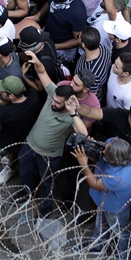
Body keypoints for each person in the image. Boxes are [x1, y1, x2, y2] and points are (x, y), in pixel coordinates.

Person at [18, 50, 86, 216]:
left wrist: (73, 112)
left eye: (57, 102)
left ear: (67, 103)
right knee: (25, 173)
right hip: (29, 146)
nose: (53, 102)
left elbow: (83, 133)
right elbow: (42, 72)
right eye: (53, 99)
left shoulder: (71, 116)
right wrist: (35, 60)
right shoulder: (53, 93)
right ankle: (26, 192)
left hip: (49, 157)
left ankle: (46, 208)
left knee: (48, 183)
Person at [73, 137, 131, 260]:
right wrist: (90, 143)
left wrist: (84, 164)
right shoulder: (121, 147)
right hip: (103, 200)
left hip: (115, 207)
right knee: (101, 223)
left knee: (120, 232)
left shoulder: (119, 177)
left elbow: (95, 184)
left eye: (105, 151)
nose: (103, 150)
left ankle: (122, 259)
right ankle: (98, 244)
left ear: (114, 159)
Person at [36, 0, 87, 66]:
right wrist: (38, 15)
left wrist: (54, 46)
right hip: (47, 37)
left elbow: (78, 40)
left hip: (61, 51)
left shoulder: (77, 12)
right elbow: (49, 3)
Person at [75, 26, 112, 102]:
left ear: (83, 45)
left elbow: (89, 96)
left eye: (79, 37)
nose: (77, 37)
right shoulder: (103, 48)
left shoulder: (93, 74)